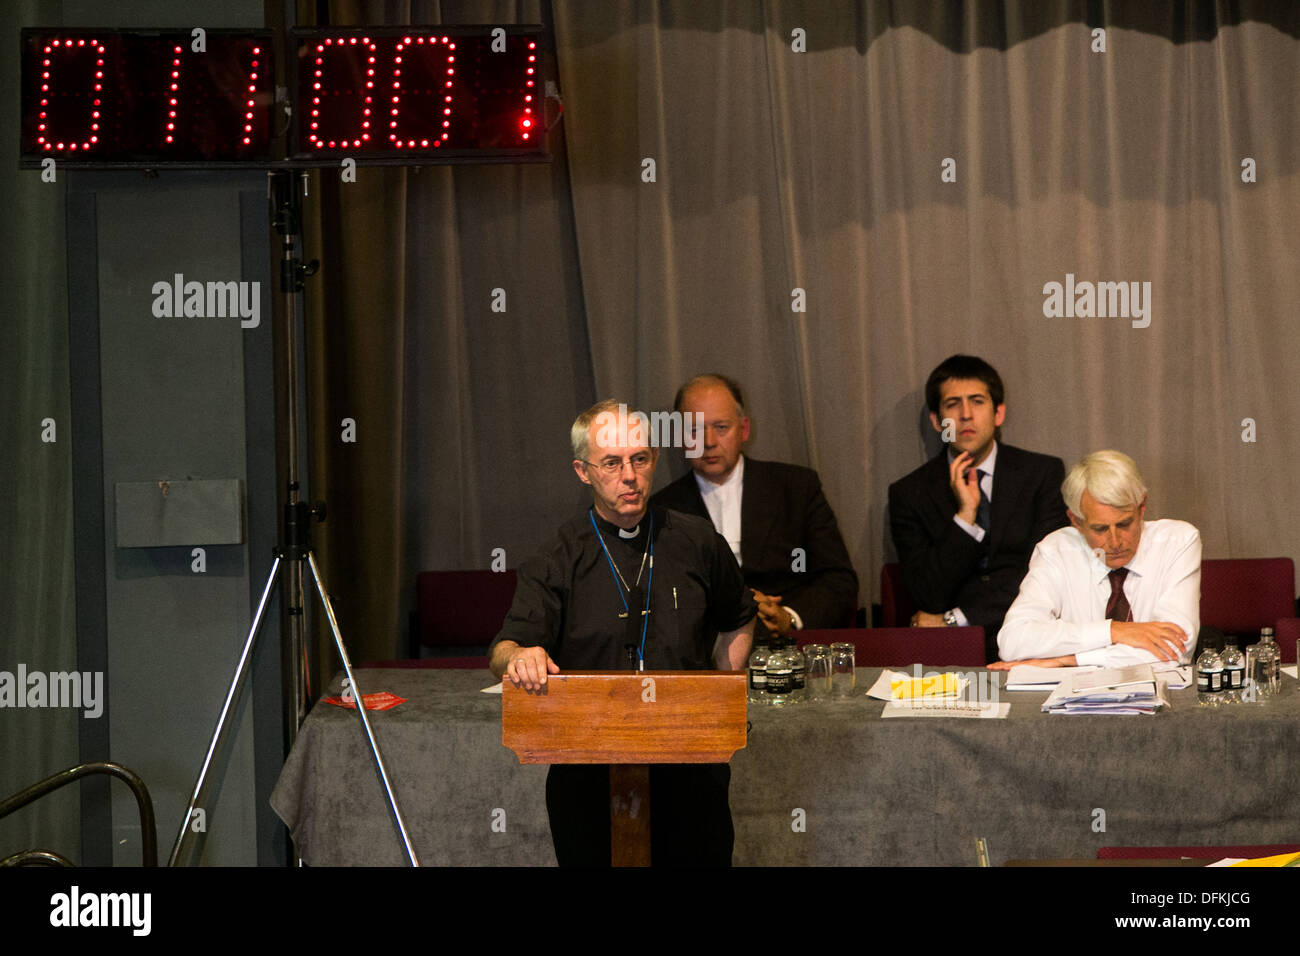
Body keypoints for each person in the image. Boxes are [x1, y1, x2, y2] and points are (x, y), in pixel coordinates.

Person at [489, 399, 757, 866]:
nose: (629, 476)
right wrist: (519, 657)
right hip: (587, 773)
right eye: (612, 463)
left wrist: (719, 691)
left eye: (640, 459)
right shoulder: (557, 556)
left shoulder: (697, 541)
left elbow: (740, 615)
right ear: (583, 471)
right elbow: (504, 647)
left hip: (689, 767)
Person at [649, 373, 858, 638]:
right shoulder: (662, 509)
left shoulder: (796, 488)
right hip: (705, 652)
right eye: (694, 430)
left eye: (721, 427)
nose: (709, 442)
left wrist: (789, 618)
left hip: (785, 643)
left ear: (744, 430)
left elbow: (838, 578)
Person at [888, 355, 1068, 661]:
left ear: (998, 413)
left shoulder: (1041, 474)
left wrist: (957, 618)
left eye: (977, 401)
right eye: (953, 404)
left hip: (1030, 638)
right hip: (948, 651)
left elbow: (1049, 572)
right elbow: (927, 593)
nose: (966, 415)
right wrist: (965, 519)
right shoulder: (909, 493)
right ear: (936, 421)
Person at [991, 450, 1200, 669]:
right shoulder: (1056, 550)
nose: (1115, 541)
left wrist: (1068, 660)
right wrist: (1114, 631)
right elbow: (1012, 641)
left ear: (1141, 508)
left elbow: (1176, 648)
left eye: (1124, 524)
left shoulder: (1178, 541)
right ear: (1076, 521)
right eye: (1100, 529)